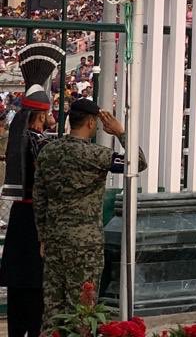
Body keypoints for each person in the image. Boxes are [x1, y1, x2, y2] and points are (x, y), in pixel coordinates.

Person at [34, 97, 147, 329]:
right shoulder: (97, 155)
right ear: (91, 123)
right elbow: (138, 163)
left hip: (55, 239)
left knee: (53, 308)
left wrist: (43, 236)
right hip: (85, 244)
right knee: (83, 309)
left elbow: (40, 197)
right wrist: (120, 133)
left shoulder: (48, 152)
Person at [1, 44, 61, 337]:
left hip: (20, 215)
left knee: (18, 286)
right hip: (37, 217)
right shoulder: (42, 145)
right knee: (34, 284)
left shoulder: (26, 138)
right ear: (41, 116)